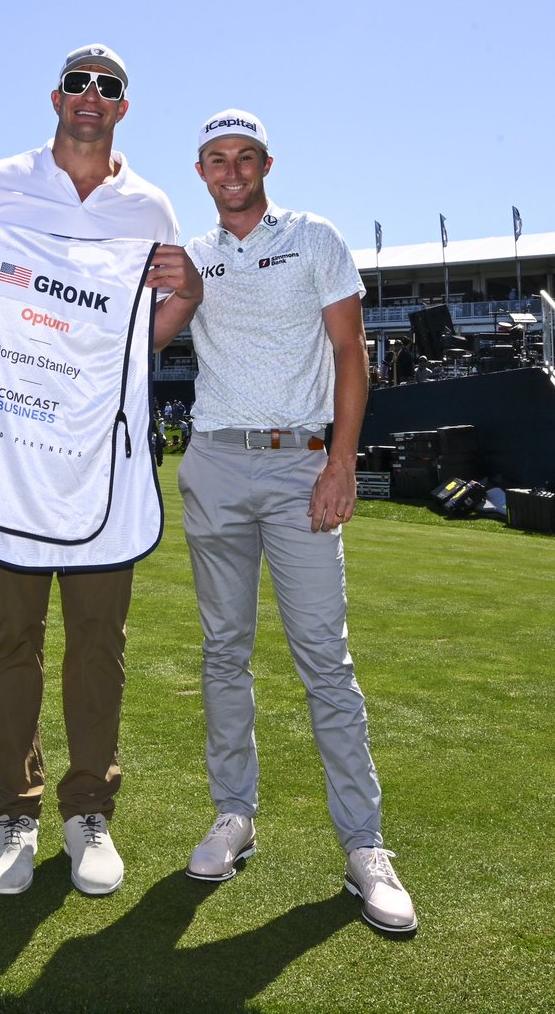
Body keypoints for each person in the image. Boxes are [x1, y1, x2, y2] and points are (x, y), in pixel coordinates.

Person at [0, 44, 202, 899]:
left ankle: (89, 811)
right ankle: (16, 806)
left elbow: (142, 337)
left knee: (98, 643)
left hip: (106, 459)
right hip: (12, 449)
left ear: (123, 108)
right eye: (78, 82)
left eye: (107, 87)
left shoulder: (150, 206)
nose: (90, 96)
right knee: (11, 639)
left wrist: (185, 294)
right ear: (56, 96)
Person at [178, 108, 417, 935]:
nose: (233, 170)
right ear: (202, 171)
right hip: (213, 459)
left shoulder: (314, 235)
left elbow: (351, 353)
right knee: (223, 650)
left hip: (300, 465)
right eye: (217, 159)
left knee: (324, 658)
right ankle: (233, 817)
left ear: (267, 163)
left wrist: (340, 462)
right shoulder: (194, 255)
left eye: (245, 157)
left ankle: (364, 847)